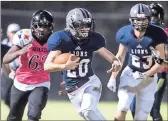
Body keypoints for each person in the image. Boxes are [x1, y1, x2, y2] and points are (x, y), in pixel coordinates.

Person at [44, 8, 121, 120]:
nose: (86, 28)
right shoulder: (62, 39)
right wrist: (64, 67)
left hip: (90, 82)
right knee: (87, 115)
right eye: (81, 25)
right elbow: (47, 66)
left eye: (87, 25)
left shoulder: (93, 39)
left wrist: (115, 62)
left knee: (88, 111)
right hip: (72, 88)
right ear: (72, 25)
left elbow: (111, 58)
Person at [107, 3, 167, 121]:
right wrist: (113, 77)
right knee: (123, 106)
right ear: (131, 20)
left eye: (144, 19)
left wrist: (145, 74)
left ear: (149, 20)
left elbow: (160, 62)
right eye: (137, 19)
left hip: (149, 78)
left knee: (141, 117)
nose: (140, 22)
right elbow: (120, 56)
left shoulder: (157, 34)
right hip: (130, 74)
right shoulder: (125, 33)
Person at [3, 10, 54, 121]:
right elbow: (5, 59)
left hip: (41, 82)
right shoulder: (25, 36)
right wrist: (19, 52)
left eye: (45, 27)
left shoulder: (54, 41)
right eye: (39, 26)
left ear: (50, 27)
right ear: (33, 25)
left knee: (33, 115)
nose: (42, 29)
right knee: (13, 118)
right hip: (21, 82)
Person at [129, 3, 168, 121]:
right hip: (142, 73)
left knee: (153, 109)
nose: (152, 20)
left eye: (154, 17)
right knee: (134, 107)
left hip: (159, 74)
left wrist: (161, 56)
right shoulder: (138, 33)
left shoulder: (164, 32)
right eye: (150, 17)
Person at [1, 23, 21, 108]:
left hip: (20, 71)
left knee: (19, 95)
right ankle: (13, 109)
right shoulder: (3, 44)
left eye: (16, 32)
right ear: (8, 33)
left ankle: (15, 111)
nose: (14, 34)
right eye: (12, 32)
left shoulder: (23, 42)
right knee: (5, 96)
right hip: (8, 72)